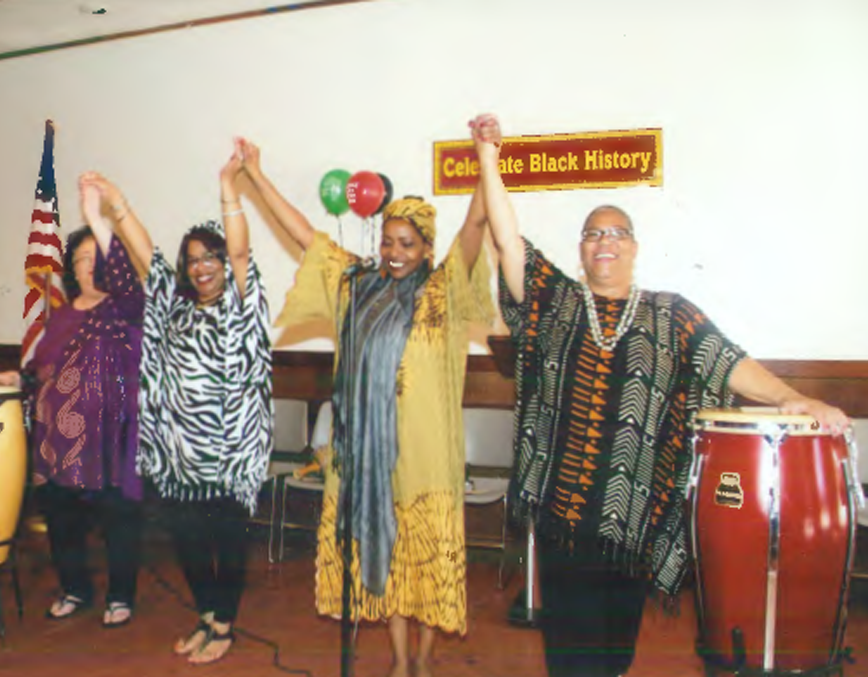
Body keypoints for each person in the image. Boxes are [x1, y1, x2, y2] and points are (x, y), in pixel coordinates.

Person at [472, 112, 850, 677]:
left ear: (634, 247)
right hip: (564, 518)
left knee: (615, 655)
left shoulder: (670, 313)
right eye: (594, 233)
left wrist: (794, 399)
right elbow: (505, 238)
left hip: (630, 524)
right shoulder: (557, 303)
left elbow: (729, 362)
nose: (605, 242)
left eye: (616, 233)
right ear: (581, 250)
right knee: (571, 658)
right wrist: (487, 157)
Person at [242, 127, 495, 677]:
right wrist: (256, 176)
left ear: (428, 247)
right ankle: (400, 662)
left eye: (407, 244)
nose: (395, 253)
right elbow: (306, 235)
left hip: (427, 461)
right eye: (388, 241)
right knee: (389, 564)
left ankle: (424, 662)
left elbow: (476, 227)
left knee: (426, 569)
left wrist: (485, 159)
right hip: (366, 461)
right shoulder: (355, 286)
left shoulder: (444, 292)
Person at [77, 138, 273, 665]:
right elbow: (147, 256)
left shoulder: (241, 300)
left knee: (227, 542)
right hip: (179, 454)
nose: (202, 266)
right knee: (188, 542)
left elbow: (238, 249)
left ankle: (226, 626)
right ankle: (206, 615)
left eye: (209, 258)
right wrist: (114, 204)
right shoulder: (173, 306)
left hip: (230, 455)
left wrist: (228, 186)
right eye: (193, 261)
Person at [0, 178, 145, 628]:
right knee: (61, 520)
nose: (89, 266)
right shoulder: (63, 316)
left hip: (113, 442)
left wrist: (96, 212)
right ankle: (75, 588)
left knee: (118, 521)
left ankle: (121, 596)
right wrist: (16, 377)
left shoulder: (127, 308)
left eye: (98, 257)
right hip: (58, 446)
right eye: (81, 260)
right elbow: (42, 368)